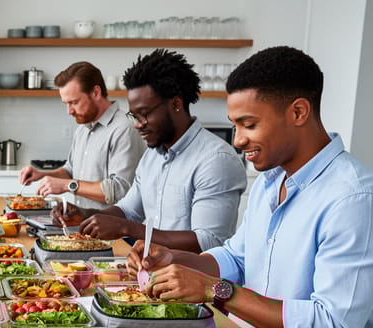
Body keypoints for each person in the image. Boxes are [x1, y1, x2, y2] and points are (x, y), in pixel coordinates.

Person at [130, 46, 373, 328]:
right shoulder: (270, 181)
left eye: (249, 125)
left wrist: (214, 290)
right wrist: (175, 258)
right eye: (235, 126)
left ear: (298, 112)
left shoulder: (355, 198)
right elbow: (236, 257)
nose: (237, 140)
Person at [54, 49, 246, 253]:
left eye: (144, 115)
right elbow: (128, 210)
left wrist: (125, 228)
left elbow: (208, 241)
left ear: (176, 104)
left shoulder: (216, 160)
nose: (137, 125)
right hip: (151, 273)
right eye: (134, 116)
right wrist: (85, 214)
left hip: (195, 281)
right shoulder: (152, 155)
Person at [18, 61, 144, 209]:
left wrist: (67, 185)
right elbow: (70, 171)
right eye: (66, 103)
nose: (69, 111)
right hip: (83, 227)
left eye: (74, 102)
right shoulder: (83, 129)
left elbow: (118, 190)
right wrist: (42, 175)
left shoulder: (124, 128)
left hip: (114, 230)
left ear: (96, 93)